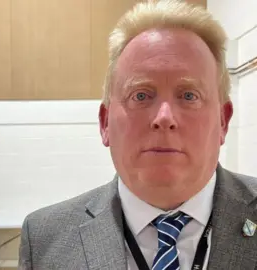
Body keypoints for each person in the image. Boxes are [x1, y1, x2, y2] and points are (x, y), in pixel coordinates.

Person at [18, 1, 257, 269]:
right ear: (105, 122)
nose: (164, 117)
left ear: (223, 121)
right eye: (140, 95)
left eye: (189, 95)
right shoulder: (44, 240)